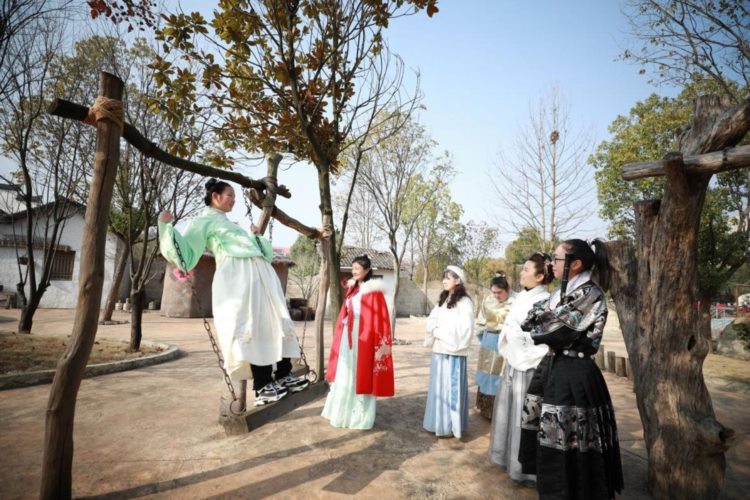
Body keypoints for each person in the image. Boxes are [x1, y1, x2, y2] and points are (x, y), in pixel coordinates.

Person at [158, 178, 309, 407]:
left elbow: (265, 255)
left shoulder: (231, 224)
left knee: (276, 321)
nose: (234, 200)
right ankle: (262, 385)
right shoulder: (203, 221)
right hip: (238, 278)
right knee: (253, 326)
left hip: (261, 276)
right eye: (230, 195)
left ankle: (284, 374)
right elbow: (186, 254)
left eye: (235, 196)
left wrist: (256, 236)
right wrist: (166, 227)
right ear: (215, 196)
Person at [518, 239, 624, 500]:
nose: (551, 264)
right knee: (550, 438)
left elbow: (553, 330)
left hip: (575, 374)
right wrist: (549, 316)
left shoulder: (591, 294)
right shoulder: (562, 294)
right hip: (553, 369)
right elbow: (527, 320)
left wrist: (548, 317)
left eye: (556, 259)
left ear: (575, 264)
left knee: (571, 440)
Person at [488, 253, 553, 483]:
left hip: (529, 367)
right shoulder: (524, 297)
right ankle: (510, 459)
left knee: (525, 420)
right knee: (511, 415)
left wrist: (513, 335)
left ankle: (525, 469)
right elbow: (510, 326)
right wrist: (509, 334)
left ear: (540, 275)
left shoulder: (547, 300)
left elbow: (538, 337)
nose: (522, 272)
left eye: (526, 269)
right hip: (514, 362)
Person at [322, 254, 395, 429]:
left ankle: (360, 417)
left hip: (365, 337)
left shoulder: (374, 291)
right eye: (353, 268)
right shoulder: (353, 288)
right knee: (346, 370)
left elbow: (379, 319)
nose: (354, 271)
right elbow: (346, 311)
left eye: (358, 268)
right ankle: (342, 412)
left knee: (360, 370)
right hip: (349, 335)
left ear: (367, 270)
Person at [423, 265, 474, 438]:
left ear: (458, 280)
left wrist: (440, 332)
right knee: (439, 388)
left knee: (450, 389)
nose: (444, 281)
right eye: (443, 277)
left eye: (448, 277)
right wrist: (434, 330)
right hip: (439, 350)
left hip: (453, 352)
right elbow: (433, 318)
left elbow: (465, 328)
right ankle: (437, 423)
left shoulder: (465, 302)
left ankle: (451, 426)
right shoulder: (444, 299)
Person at [475, 272, 517, 419]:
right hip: (489, 341)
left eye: (499, 292)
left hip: (507, 343)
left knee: (502, 376)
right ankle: (486, 409)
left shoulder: (517, 300)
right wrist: (483, 339)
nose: (496, 296)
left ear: (508, 289)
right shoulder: (487, 300)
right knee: (487, 374)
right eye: (493, 292)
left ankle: (501, 413)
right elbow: (480, 321)